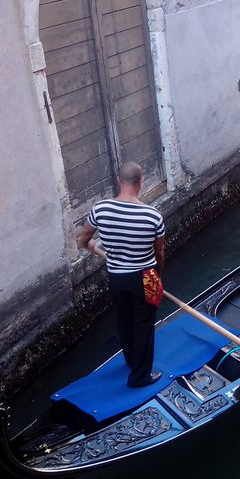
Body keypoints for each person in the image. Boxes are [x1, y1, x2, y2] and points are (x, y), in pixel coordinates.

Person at [77, 161, 166, 388]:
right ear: (140, 182)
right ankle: (140, 377)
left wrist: (91, 246)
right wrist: (159, 274)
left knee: (124, 321)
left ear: (119, 180)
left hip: (116, 277)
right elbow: (159, 252)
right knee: (143, 325)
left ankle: (130, 360)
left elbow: (84, 238)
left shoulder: (100, 209)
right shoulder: (152, 216)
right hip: (145, 277)